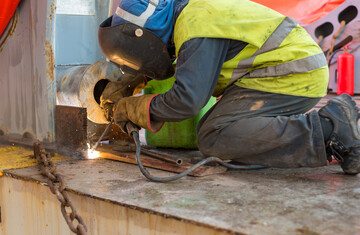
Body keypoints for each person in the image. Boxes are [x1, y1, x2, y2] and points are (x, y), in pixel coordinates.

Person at [98, 0, 360, 175]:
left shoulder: (195, 22)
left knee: (215, 136)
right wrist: (132, 81)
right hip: (285, 70)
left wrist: (131, 108)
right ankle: (327, 130)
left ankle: (330, 129)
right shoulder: (192, 13)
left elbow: (188, 99)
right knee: (217, 131)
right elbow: (187, 64)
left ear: (146, 35)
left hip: (291, 72)